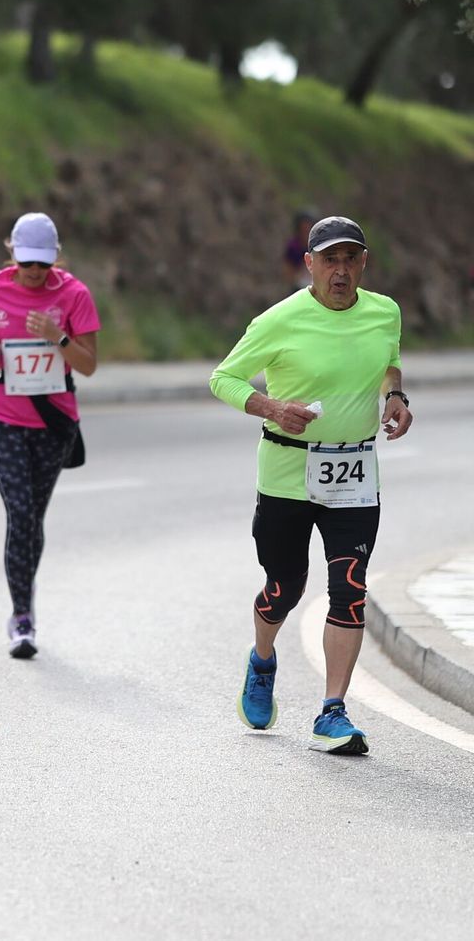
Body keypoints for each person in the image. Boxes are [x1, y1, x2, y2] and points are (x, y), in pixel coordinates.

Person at [210, 215, 411, 755]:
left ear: (363, 263)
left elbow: (389, 363)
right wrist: (272, 406)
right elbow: (222, 378)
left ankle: (332, 711)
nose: (340, 270)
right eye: (330, 260)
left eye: (350, 259)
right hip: (286, 473)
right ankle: (262, 659)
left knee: (350, 588)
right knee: (285, 587)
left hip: (354, 476)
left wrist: (397, 396)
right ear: (310, 265)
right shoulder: (279, 320)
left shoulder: (385, 312)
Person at [0, 213, 99, 659]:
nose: (34, 272)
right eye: (26, 264)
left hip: (53, 421)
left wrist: (58, 337)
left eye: (42, 264)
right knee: (19, 513)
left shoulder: (74, 294)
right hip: (0, 413)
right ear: (12, 255)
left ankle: (23, 599)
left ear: (55, 257)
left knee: (32, 517)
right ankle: (22, 616)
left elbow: (89, 363)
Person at [282, 208, 316, 290]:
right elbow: (288, 269)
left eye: (308, 228)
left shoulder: (318, 245)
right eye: (303, 229)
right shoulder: (294, 246)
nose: (306, 231)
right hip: (299, 285)